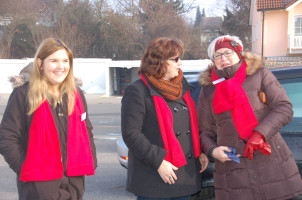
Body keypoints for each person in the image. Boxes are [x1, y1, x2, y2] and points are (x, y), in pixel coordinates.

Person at [197, 35, 302, 200]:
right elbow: (203, 130)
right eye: (217, 55)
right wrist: (212, 150)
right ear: (213, 59)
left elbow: (284, 107)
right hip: (233, 167)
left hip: (271, 161)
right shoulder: (208, 90)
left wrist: (260, 133)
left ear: (238, 53)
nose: (223, 58)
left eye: (228, 52)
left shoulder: (260, 75)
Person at [0, 38, 97, 200]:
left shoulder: (76, 94)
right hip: (38, 185)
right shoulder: (23, 94)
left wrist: (91, 159)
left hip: (74, 181)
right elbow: (7, 137)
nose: (61, 66)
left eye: (66, 61)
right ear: (40, 63)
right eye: (53, 61)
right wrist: (25, 167)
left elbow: (87, 130)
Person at [121, 37, 209, 200]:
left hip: (184, 176)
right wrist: (159, 162)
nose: (180, 63)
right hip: (154, 176)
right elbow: (131, 134)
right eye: (175, 59)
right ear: (159, 61)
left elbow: (190, 126)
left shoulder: (182, 87)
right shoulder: (138, 91)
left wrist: (200, 152)